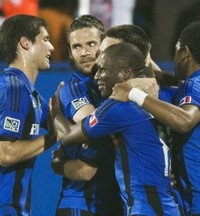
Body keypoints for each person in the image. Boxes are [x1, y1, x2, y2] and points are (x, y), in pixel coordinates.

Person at [111, 21, 200, 215]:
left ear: (184, 52)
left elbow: (184, 120)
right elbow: (176, 84)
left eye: (176, 50)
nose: (174, 57)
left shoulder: (195, 86)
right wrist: (147, 63)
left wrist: (133, 94)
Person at [50, 42, 181, 216]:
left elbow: (67, 136)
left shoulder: (117, 107)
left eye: (103, 70)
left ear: (126, 73)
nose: (96, 76)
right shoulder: (167, 96)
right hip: (171, 207)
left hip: (144, 208)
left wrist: (56, 111)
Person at [0, 14, 56, 215]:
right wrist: (52, 138)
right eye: (46, 40)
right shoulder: (12, 90)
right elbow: (6, 154)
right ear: (25, 43)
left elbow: (59, 122)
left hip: (8, 207)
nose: (52, 48)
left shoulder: (28, 93)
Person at [51, 14, 123, 215]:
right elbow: (92, 123)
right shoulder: (73, 88)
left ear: (104, 45)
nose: (84, 52)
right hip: (82, 203)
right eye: (76, 47)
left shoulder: (112, 86)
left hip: (111, 200)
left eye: (91, 44)